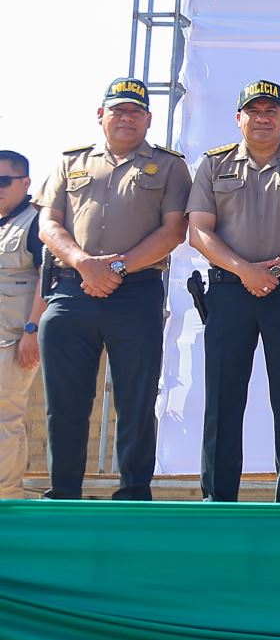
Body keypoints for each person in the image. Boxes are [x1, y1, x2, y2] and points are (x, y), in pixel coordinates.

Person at [35, 78, 191, 500]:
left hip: (136, 291)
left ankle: (134, 490)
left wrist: (117, 268)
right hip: (70, 289)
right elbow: (48, 224)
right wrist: (84, 263)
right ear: (100, 115)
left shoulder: (170, 165)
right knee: (64, 401)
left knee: (136, 399)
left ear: (148, 119)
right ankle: (63, 490)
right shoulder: (71, 161)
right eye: (118, 110)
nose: (126, 118)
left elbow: (174, 230)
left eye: (135, 111)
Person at [187, 80, 280, 503]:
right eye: (253, 110)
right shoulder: (213, 165)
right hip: (227, 291)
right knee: (222, 397)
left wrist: (272, 270)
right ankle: (217, 500)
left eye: (271, 110)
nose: (263, 117)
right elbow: (198, 232)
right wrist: (243, 271)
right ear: (239, 118)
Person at [0, 149, 45, 500]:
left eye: (4, 181)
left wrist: (33, 330)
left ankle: (7, 499)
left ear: (25, 182)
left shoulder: (36, 222)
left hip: (13, 343)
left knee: (4, 421)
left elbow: (49, 277)